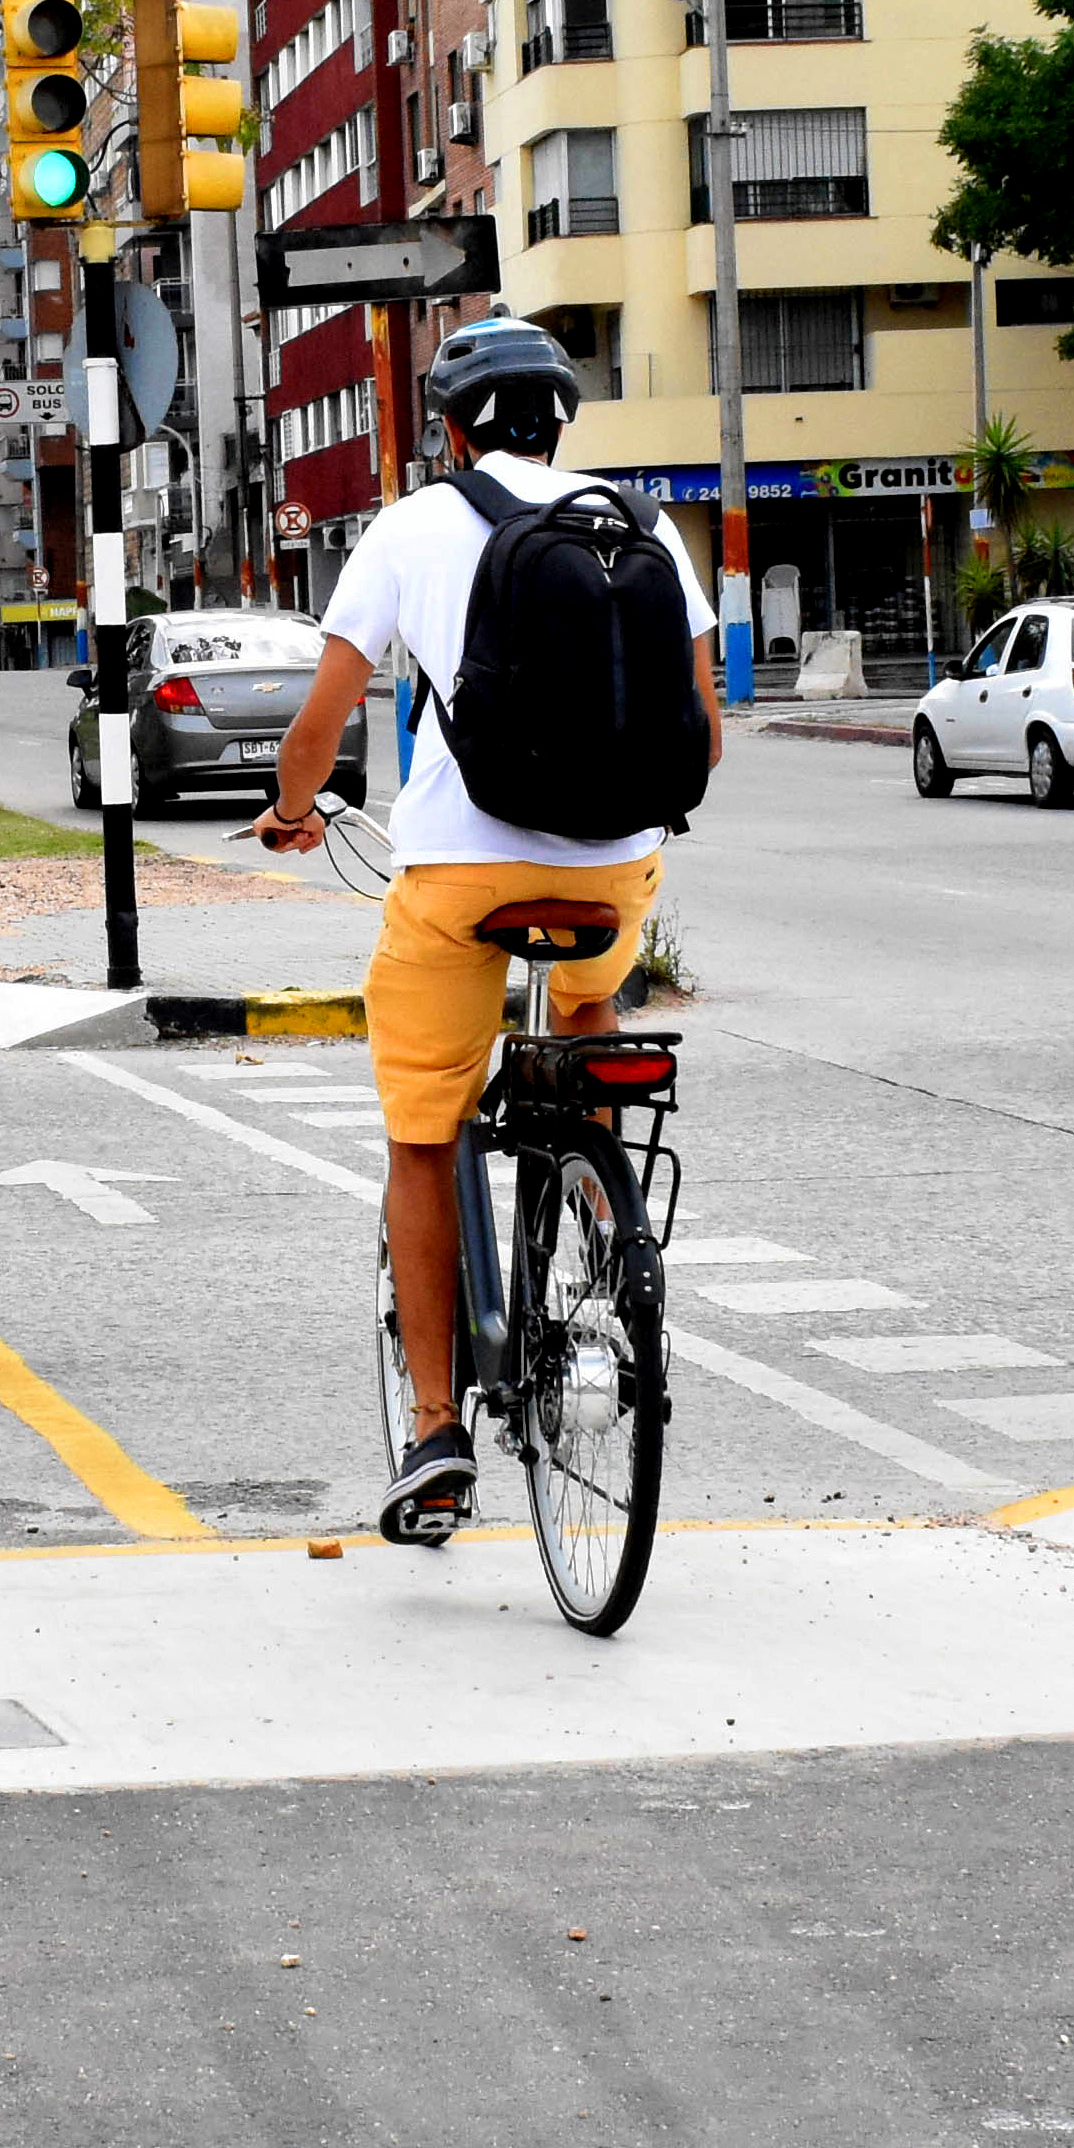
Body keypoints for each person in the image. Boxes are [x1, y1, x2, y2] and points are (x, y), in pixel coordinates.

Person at [255, 315, 724, 1537]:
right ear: (561, 419)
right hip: (614, 873)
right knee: (588, 1008)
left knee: (425, 1129)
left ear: (450, 426)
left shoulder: (410, 527)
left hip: (460, 879)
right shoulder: (644, 527)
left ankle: (432, 1430)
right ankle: (608, 1226)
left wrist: (293, 810)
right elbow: (702, 735)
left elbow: (324, 720)